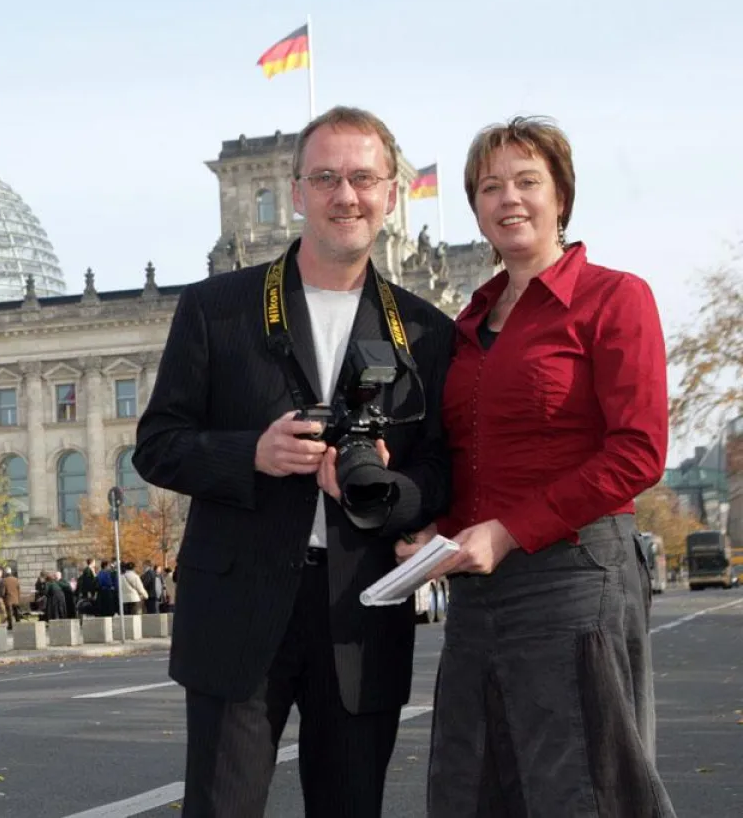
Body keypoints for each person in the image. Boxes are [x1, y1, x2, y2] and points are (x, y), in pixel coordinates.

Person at [133, 105, 455, 818]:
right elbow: (157, 443)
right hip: (237, 608)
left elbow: (441, 472)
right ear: (298, 191)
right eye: (328, 178)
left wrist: (388, 492)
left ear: (391, 195)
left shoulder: (427, 330)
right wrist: (251, 452)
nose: (348, 195)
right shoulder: (218, 309)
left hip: (362, 610)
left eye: (365, 178)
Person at [403, 116, 676, 816]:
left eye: (528, 181)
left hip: (574, 575)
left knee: (581, 785)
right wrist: (430, 531)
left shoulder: (615, 297)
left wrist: (509, 530)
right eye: (490, 187)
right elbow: (469, 457)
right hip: (479, 587)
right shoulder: (468, 324)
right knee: (472, 785)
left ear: (561, 197)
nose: (509, 199)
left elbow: (638, 451)